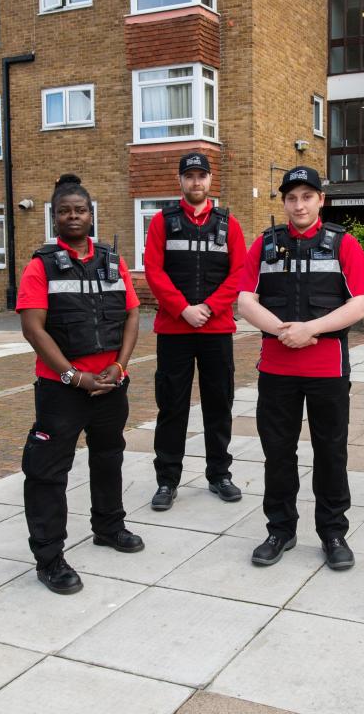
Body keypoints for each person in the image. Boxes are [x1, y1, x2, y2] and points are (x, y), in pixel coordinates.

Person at [237, 166, 364, 570]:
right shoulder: (264, 244)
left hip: (327, 369)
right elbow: (245, 300)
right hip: (277, 368)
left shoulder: (343, 244)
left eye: (306, 196)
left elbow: (358, 304)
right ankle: (280, 530)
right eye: (291, 197)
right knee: (277, 453)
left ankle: (333, 531)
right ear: (283, 202)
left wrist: (310, 329)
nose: (299, 204)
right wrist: (284, 333)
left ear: (321, 200)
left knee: (330, 452)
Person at [17, 174, 143, 595]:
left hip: (110, 385)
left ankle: (109, 527)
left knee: (108, 458)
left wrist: (120, 367)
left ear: (92, 215)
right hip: (61, 390)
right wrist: (73, 375)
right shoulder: (41, 265)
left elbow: (130, 316)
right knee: (48, 472)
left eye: (80, 209)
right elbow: (33, 329)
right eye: (65, 210)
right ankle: (49, 558)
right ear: (55, 217)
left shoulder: (113, 260)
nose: (73, 216)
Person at [144, 152, 247, 511]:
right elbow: (153, 271)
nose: (196, 182)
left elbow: (240, 274)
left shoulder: (228, 224)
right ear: (180, 181)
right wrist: (183, 309)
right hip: (174, 330)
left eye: (201, 176)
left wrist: (210, 308)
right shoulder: (161, 221)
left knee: (219, 404)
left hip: (216, 329)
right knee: (171, 406)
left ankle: (220, 474)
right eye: (189, 176)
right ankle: (167, 480)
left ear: (210, 180)